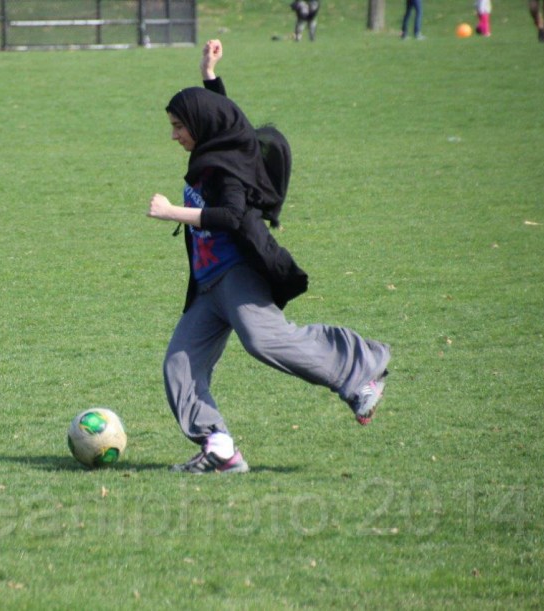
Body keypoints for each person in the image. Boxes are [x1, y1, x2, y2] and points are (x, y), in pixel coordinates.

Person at [146, 41, 391, 474]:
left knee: (266, 342)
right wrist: (209, 74)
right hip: (207, 286)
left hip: (238, 275)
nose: (174, 135)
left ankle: (360, 368)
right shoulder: (216, 148)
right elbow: (227, 118)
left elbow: (230, 216)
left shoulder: (225, 168)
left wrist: (171, 212)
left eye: (179, 126)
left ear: (200, 125)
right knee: (180, 365)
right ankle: (219, 447)